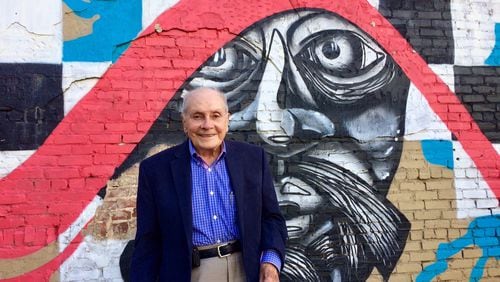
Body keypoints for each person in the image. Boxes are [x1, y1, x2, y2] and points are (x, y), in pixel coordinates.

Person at [130, 87, 287, 282]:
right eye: (197, 116)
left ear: (227, 120)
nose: (207, 125)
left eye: (216, 116)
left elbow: (271, 218)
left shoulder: (253, 159)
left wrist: (271, 262)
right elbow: (148, 241)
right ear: (184, 122)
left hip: (247, 271)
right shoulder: (155, 170)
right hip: (189, 274)